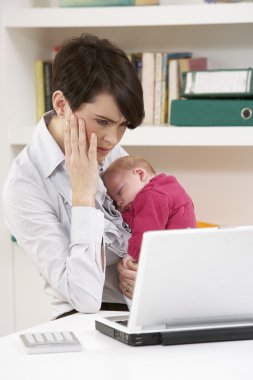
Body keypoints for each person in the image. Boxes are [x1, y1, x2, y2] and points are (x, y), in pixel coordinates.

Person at [2, 34, 144, 319]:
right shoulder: (25, 185)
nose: (112, 138)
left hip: (138, 312)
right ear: (62, 104)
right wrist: (83, 195)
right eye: (102, 122)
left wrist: (146, 272)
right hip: (80, 322)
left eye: (123, 125)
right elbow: (84, 297)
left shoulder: (112, 154)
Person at [103, 155, 196, 267]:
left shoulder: (150, 194)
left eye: (120, 191)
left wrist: (134, 254)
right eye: (114, 200)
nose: (119, 202)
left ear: (140, 174)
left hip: (172, 257)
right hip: (185, 254)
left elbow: (146, 229)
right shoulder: (166, 190)